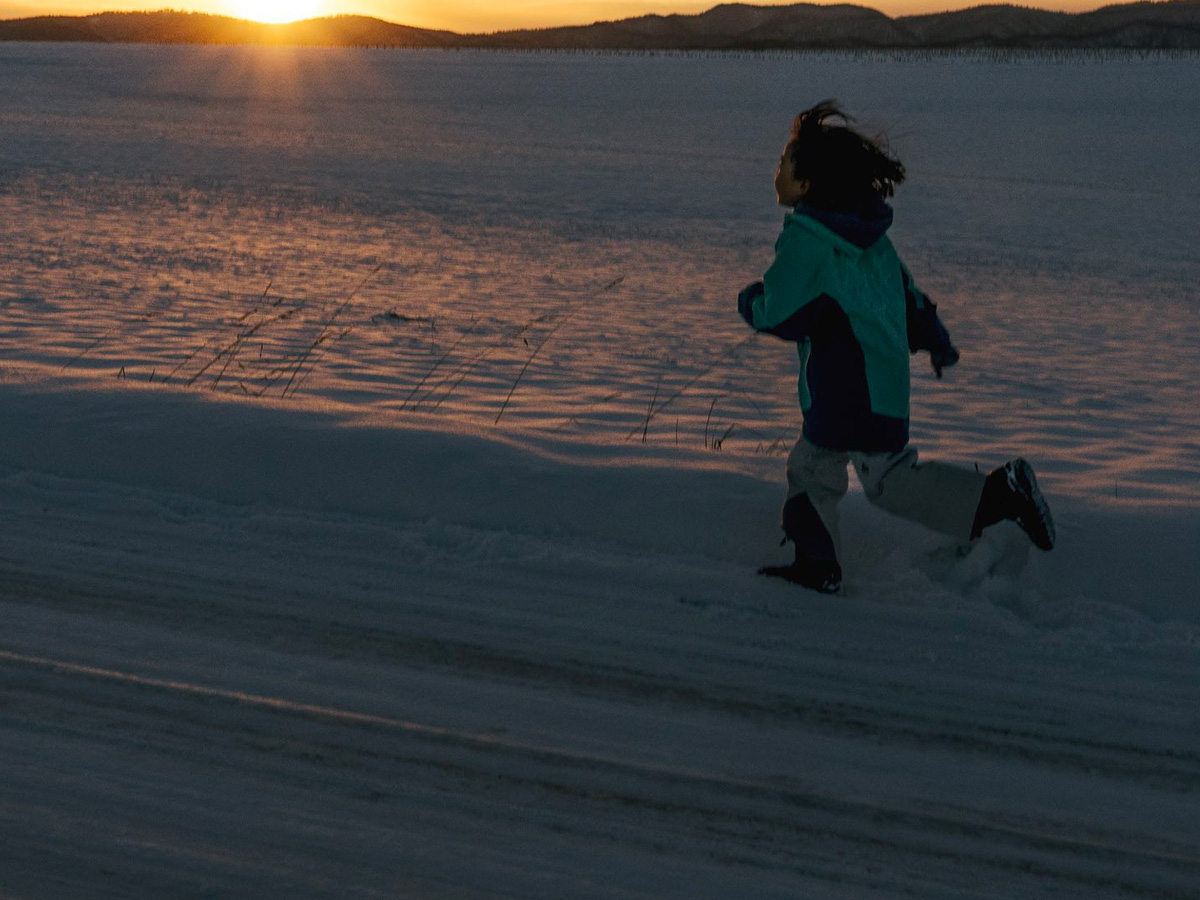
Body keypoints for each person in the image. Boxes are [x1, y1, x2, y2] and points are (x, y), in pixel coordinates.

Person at [738, 100, 1054, 595]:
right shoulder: (872, 241)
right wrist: (936, 341)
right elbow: (908, 300)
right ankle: (998, 496)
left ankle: (818, 565)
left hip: (843, 387)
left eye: (783, 163)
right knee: (889, 480)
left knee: (812, 470)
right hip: (883, 387)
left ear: (807, 182)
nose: (774, 171)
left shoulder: (808, 238)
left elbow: (778, 307)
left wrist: (751, 302)